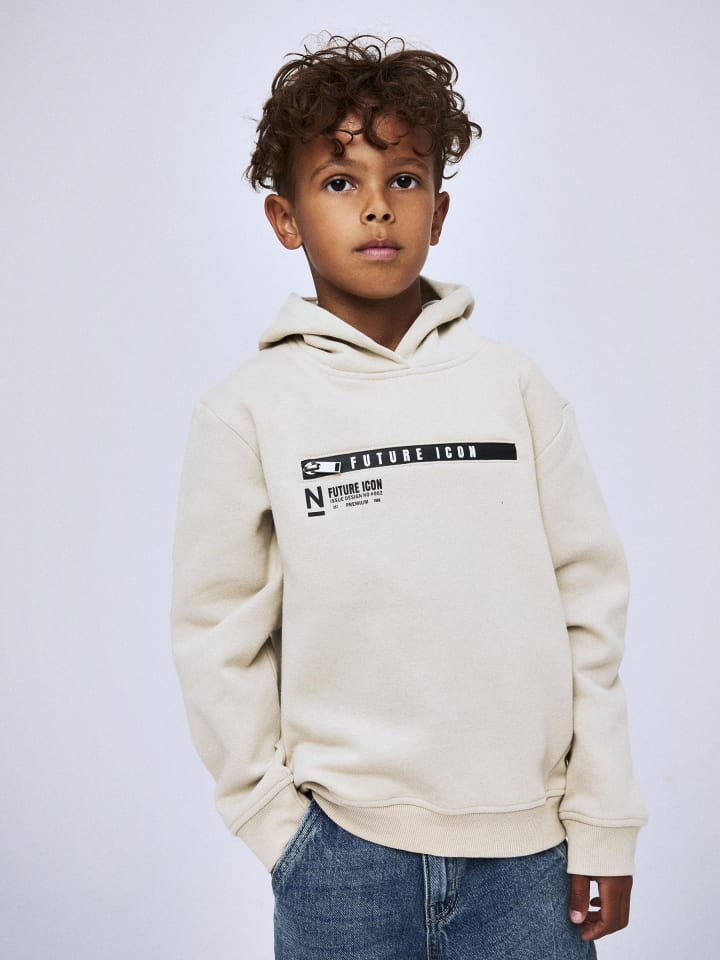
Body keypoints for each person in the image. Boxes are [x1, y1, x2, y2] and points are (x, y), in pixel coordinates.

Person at [170, 34, 648, 959]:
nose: (377, 206)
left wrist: (604, 821)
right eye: (339, 182)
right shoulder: (248, 411)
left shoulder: (514, 388)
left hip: (531, 856)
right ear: (285, 218)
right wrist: (277, 827)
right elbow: (215, 633)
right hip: (341, 858)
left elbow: (591, 609)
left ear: (440, 208)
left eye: (405, 178)